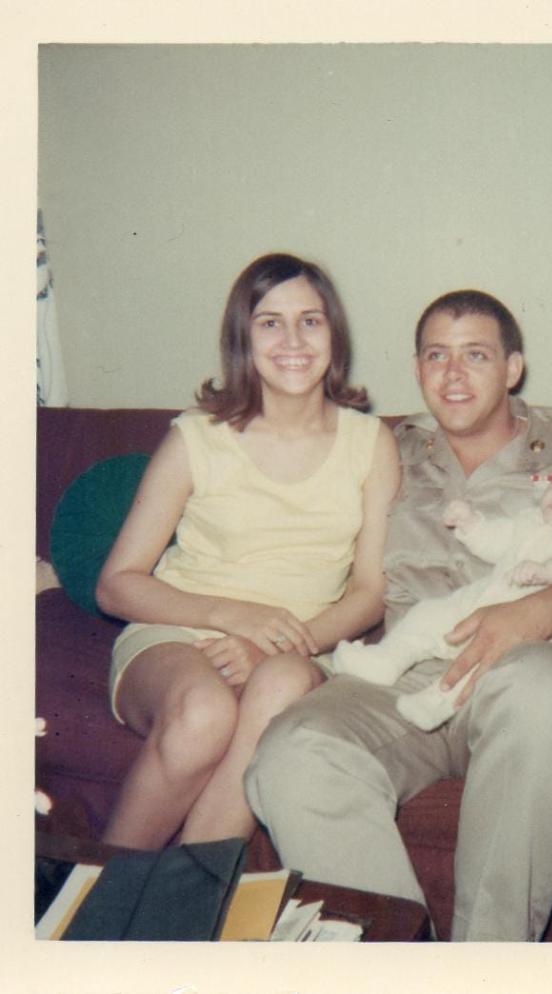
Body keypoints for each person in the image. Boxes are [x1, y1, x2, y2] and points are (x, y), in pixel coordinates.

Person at [245, 289, 552, 941]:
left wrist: (535, 613)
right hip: (407, 677)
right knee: (290, 754)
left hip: (529, 670)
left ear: (512, 368)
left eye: (475, 355)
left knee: (545, 693)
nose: (453, 374)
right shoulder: (382, 448)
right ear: (416, 368)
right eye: (436, 356)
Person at [95, 252, 400, 850]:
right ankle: (99, 898)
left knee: (282, 683)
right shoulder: (196, 438)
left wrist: (276, 640)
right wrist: (230, 616)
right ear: (242, 337)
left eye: (310, 321)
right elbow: (117, 584)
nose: (293, 339)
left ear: (334, 335)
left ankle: (183, 907)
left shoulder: (371, 442)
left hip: (300, 646)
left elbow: (371, 591)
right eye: (270, 322)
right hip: (179, 635)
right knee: (204, 715)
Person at [329, 449, 552, 731]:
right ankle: (387, 659)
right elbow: (499, 541)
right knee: (428, 614)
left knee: (489, 662)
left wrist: (550, 570)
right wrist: (471, 524)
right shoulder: (532, 519)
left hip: (533, 630)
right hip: (479, 602)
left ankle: (436, 703)